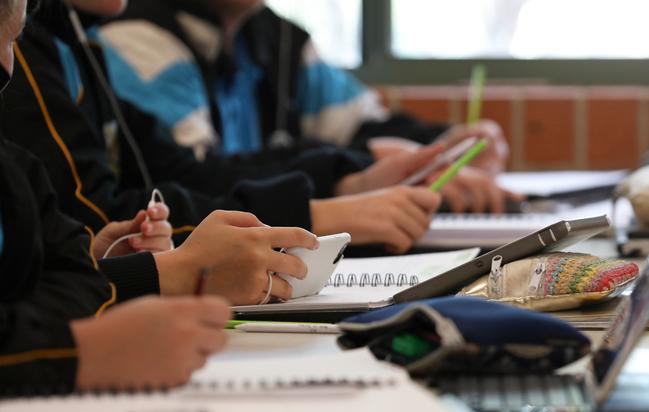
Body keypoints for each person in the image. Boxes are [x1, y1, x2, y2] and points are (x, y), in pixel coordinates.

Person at [1, 0, 451, 257]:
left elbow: (178, 174)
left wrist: (348, 175)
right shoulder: (128, 39)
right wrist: (316, 210)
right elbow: (96, 222)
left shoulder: (274, 34)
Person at [0, 0, 230, 394]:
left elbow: (70, 265)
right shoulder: (55, 55)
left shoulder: (82, 47)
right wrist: (80, 354)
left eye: (13, 40)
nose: (8, 68)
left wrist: (100, 262)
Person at [99, 0, 517, 213]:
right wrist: (355, 165)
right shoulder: (136, 37)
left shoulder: (278, 38)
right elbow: (192, 178)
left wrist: (445, 144)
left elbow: (358, 126)